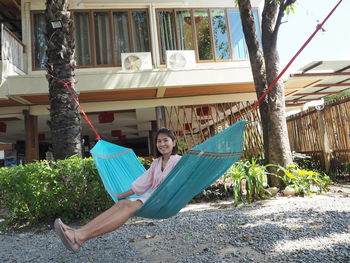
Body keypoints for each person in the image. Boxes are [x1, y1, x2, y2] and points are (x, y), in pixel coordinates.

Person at [54, 128, 181, 252]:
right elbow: (141, 184)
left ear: (173, 142)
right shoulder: (156, 163)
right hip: (151, 198)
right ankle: (77, 233)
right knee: (122, 203)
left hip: (164, 200)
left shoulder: (179, 161)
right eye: (159, 141)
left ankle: (80, 237)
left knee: (127, 207)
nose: (162, 144)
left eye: (166, 140)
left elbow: (184, 180)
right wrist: (121, 195)